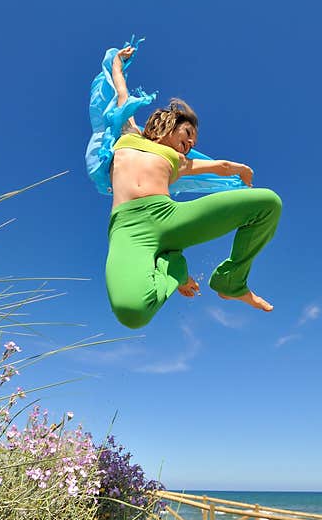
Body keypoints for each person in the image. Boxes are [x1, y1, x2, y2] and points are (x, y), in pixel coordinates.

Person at [104, 46, 282, 329]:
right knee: (132, 313)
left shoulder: (178, 160)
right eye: (187, 135)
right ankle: (174, 267)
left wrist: (241, 169)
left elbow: (219, 166)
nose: (188, 146)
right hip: (128, 229)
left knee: (268, 203)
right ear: (168, 123)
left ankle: (231, 281)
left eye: (192, 144)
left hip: (170, 217)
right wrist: (116, 62)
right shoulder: (128, 133)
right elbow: (120, 91)